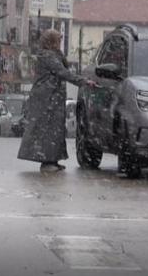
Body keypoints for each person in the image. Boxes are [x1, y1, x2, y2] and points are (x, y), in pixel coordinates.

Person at [18, 29, 96, 173]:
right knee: (48, 131)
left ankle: (53, 160)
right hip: (46, 99)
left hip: (53, 98)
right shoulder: (48, 56)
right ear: (51, 42)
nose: (60, 43)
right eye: (58, 40)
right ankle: (47, 162)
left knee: (55, 130)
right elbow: (63, 73)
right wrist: (83, 81)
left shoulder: (54, 55)